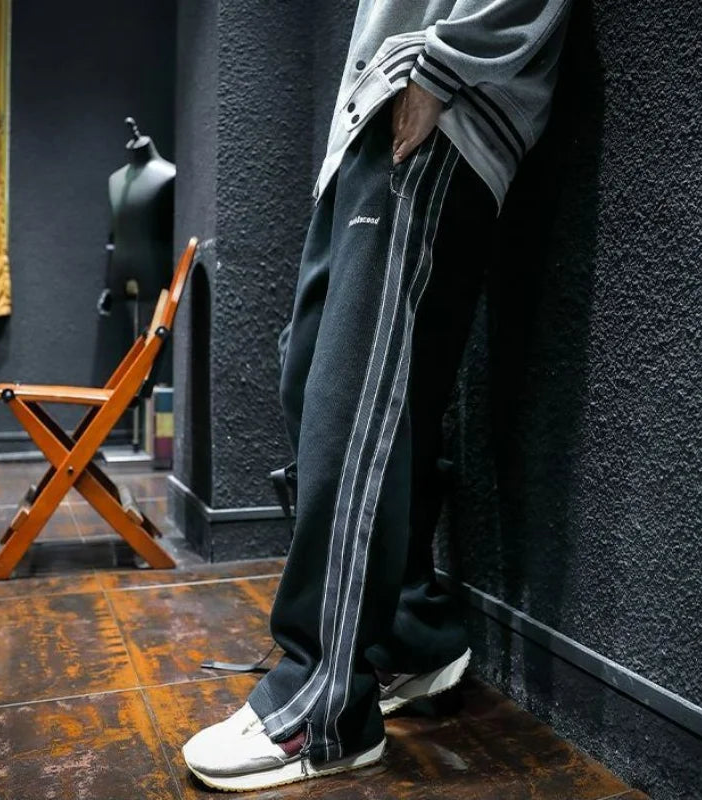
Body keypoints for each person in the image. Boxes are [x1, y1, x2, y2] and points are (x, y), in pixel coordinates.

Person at [182, 0, 571, 790]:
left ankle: (323, 704)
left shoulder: (435, 78)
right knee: (331, 385)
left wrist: (441, 64)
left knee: (351, 405)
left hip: (437, 100)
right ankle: (411, 633)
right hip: (370, 119)